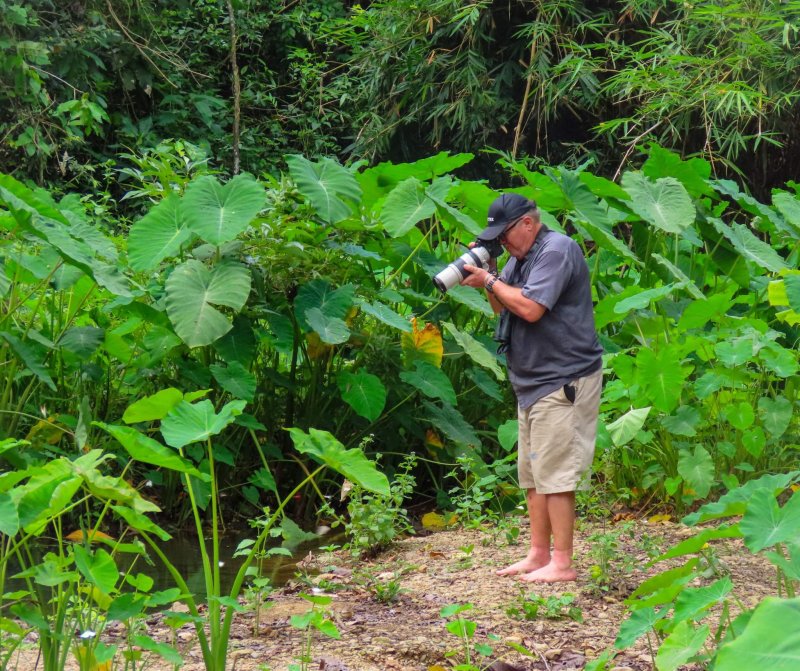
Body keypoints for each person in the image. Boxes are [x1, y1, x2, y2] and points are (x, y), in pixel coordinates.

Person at [459, 193, 603, 583]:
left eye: (503, 235)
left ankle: (563, 563)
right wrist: (490, 274)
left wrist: (489, 278)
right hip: (532, 380)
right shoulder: (517, 258)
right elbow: (504, 309)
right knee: (534, 475)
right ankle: (539, 554)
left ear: (527, 223)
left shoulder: (557, 250)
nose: (501, 242)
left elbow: (531, 308)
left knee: (556, 476)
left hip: (564, 378)